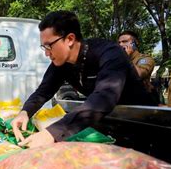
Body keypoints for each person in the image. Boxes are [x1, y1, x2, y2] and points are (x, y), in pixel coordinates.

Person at [11, 11, 157, 148]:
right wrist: (25, 112)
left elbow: (103, 98)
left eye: (49, 46)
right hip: (107, 122)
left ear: (70, 39)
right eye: (44, 47)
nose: (47, 53)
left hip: (143, 124)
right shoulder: (61, 63)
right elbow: (43, 92)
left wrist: (52, 132)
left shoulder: (110, 53)